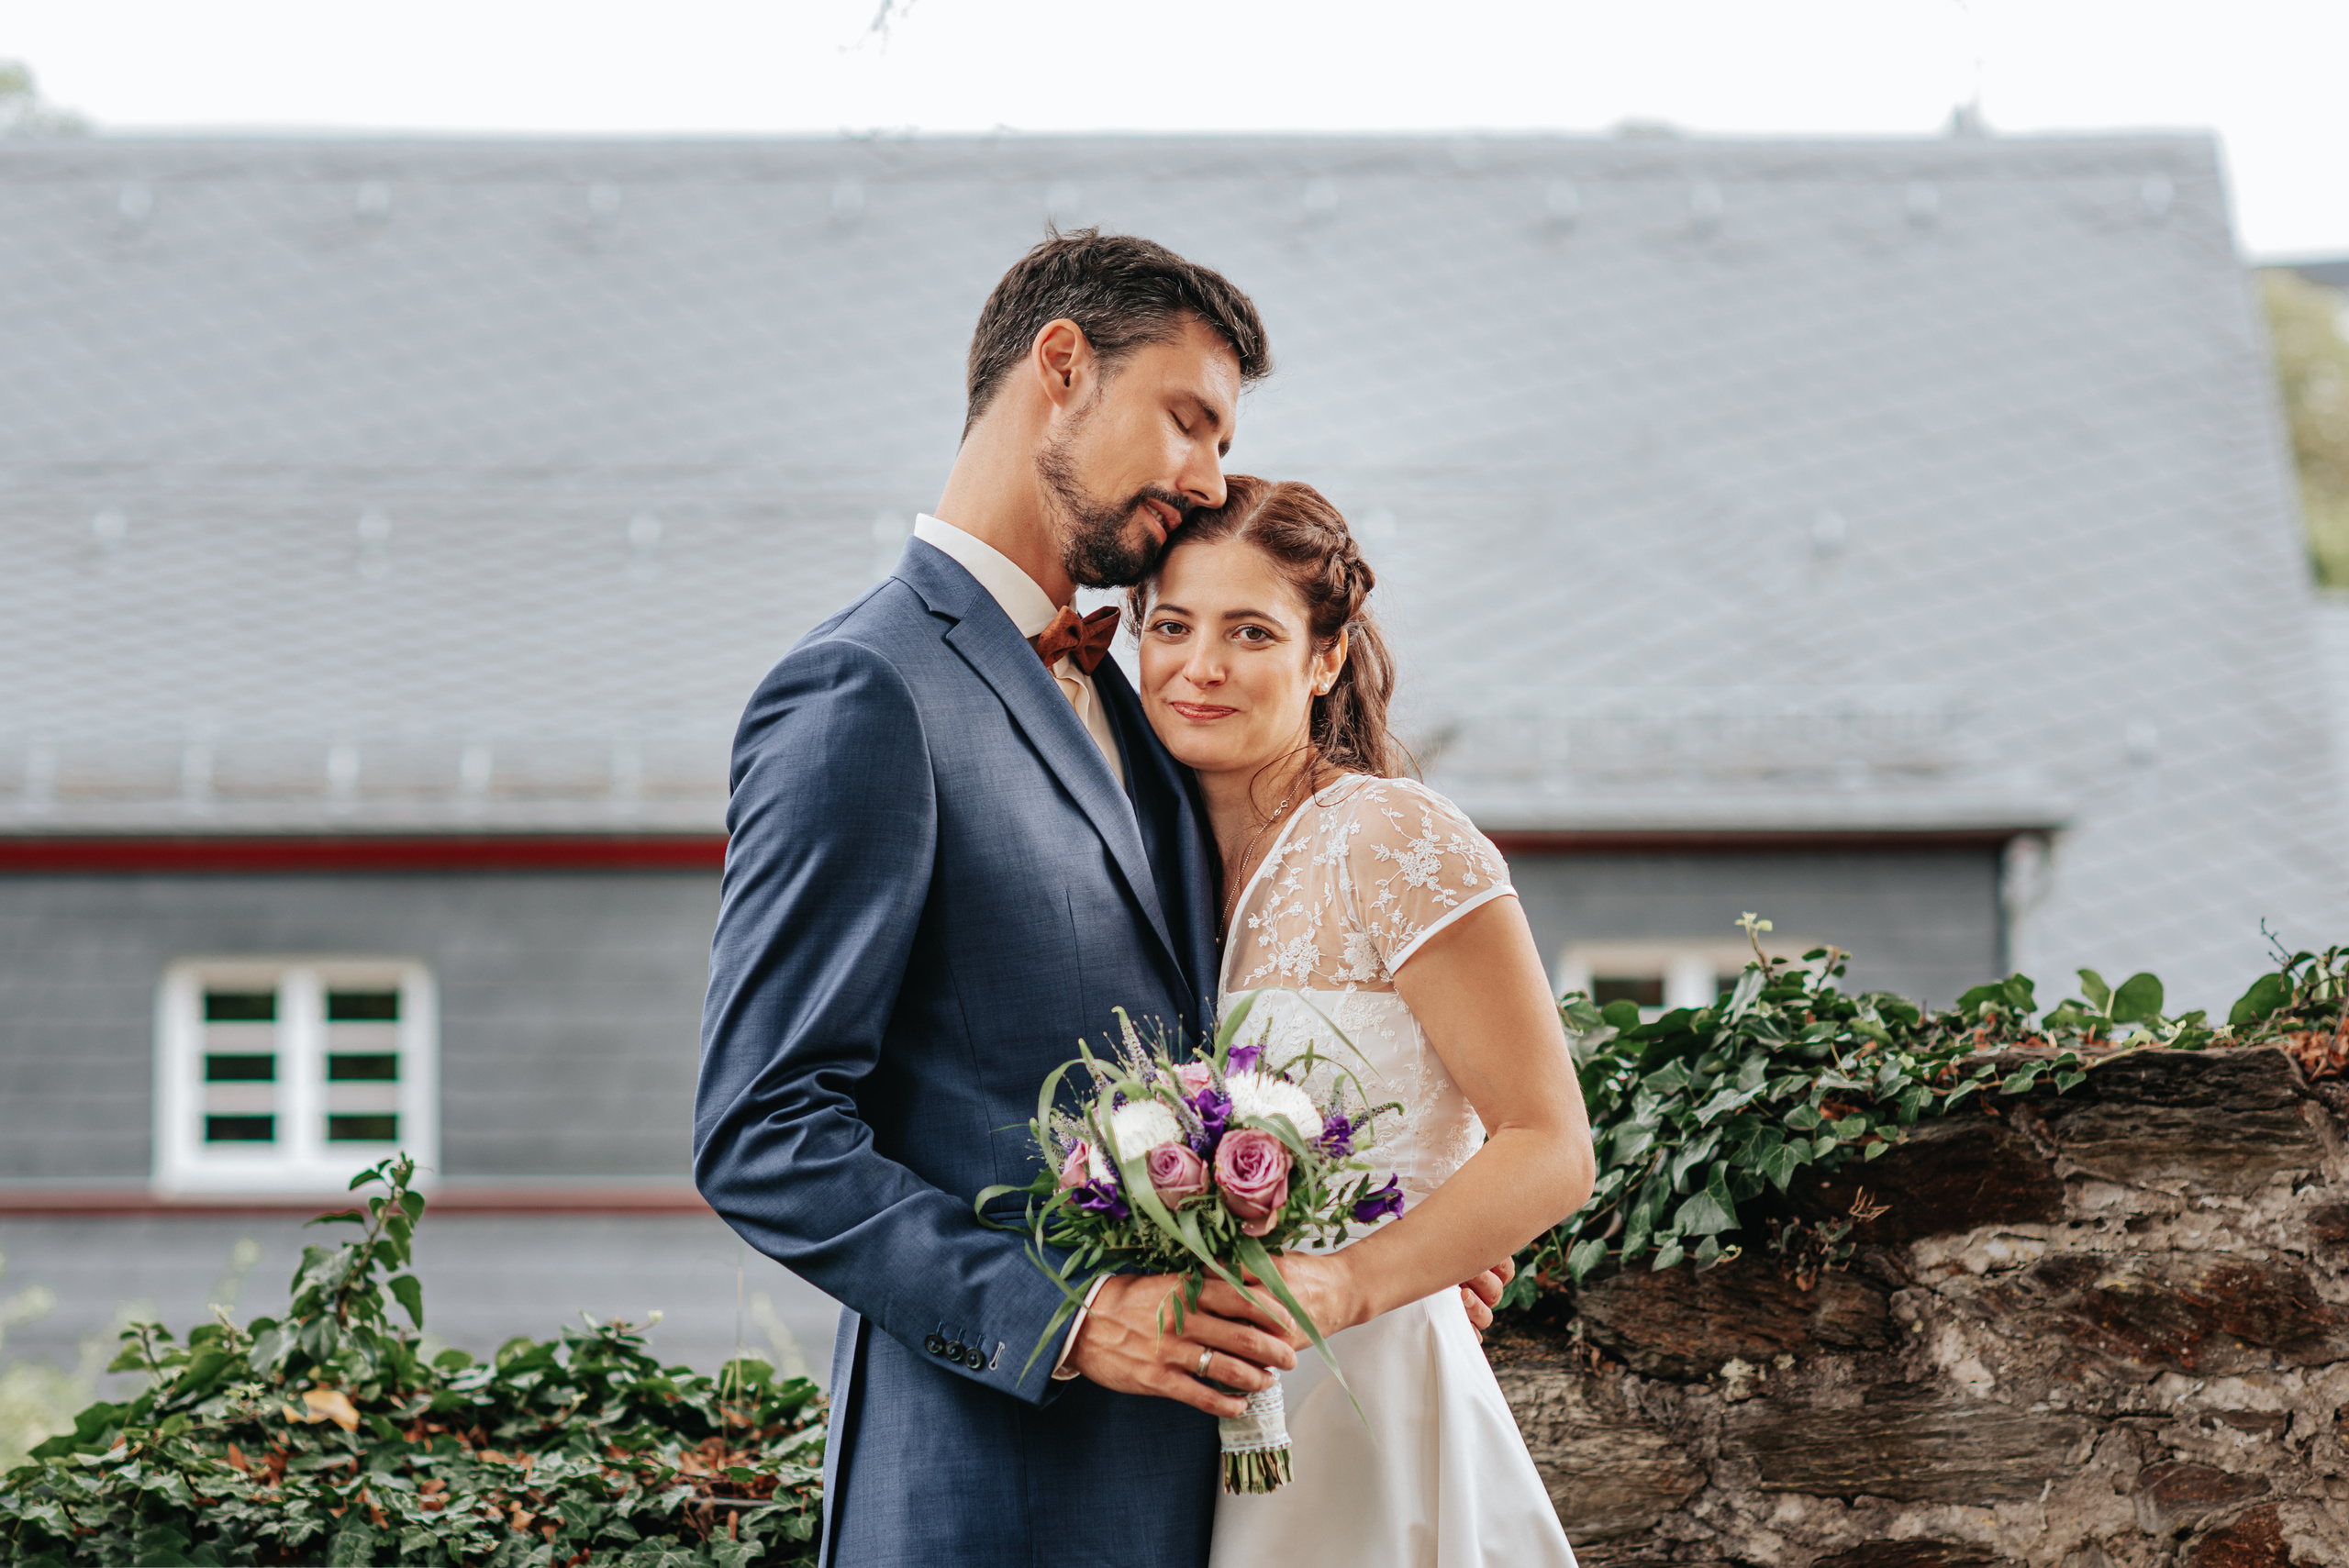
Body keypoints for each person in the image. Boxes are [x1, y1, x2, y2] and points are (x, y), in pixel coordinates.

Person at [695, 231, 1516, 1567]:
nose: (1207, 478)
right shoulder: (863, 690)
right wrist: (1068, 1318)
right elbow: (763, 1129)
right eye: (1187, 419)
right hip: (986, 1491)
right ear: (1063, 367)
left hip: (1227, 1493)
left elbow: (1240, 1026)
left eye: (1222, 440)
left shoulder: (1145, 713)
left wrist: (1393, 1232)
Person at [1127, 474, 1598, 1565]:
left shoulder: (1390, 837)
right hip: (1180, 1429)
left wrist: (1349, 1280)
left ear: (1326, 657)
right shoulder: (1138, 864)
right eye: (1171, 626)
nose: (1201, 666)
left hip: (1372, 1396)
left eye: (1250, 631)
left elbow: (1549, 1142)